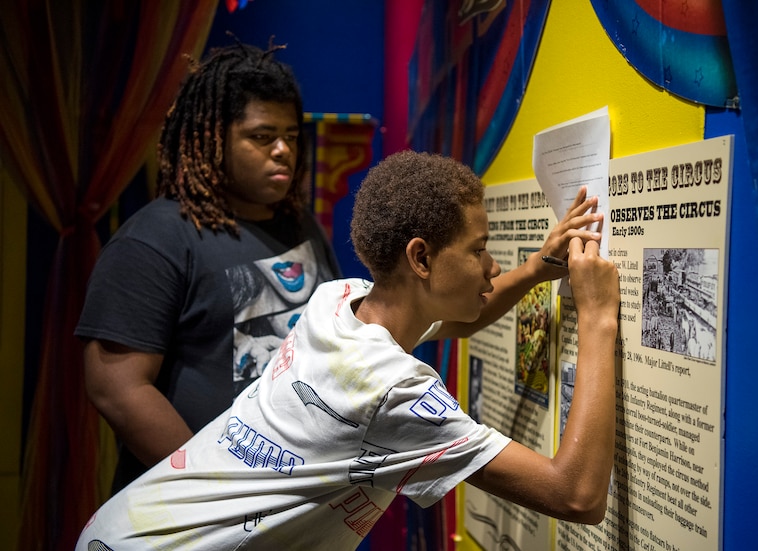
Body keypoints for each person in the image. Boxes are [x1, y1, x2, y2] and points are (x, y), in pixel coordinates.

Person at [75, 151, 619, 550]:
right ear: (421, 258)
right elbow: (576, 496)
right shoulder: (392, 390)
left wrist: (535, 270)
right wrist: (596, 317)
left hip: (124, 527)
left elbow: (451, 321)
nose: (491, 266)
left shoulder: (338, 304)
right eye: (479, 250)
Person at [75, 42, 341, 492]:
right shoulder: (155, 238)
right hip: (197, 511)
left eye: (291, 136)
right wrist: (218, 486)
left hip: (298, 497)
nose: (282, 151)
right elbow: (116, 388)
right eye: (261, 136)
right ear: (213, 136)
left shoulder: (299, 224)